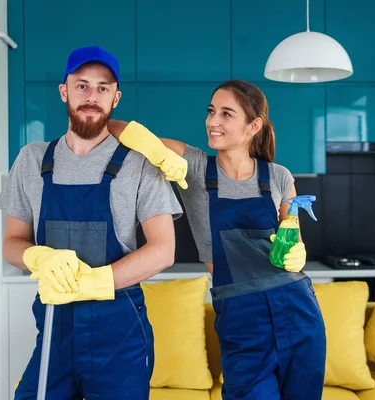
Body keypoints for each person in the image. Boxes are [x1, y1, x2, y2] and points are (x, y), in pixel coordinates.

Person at [109, 79, 326, 400]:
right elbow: (114, 126)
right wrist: (156, 151)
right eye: (211, 111)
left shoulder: (278, 176)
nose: (212, 121)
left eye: (226, 114)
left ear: (254, 126)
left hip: (298, 309)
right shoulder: (195, 166)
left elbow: (291, 236)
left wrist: (297, 249)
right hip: (241, 316)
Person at [0, 45, 184, 400]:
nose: (91, 96)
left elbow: (163, 250)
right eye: (81, 85)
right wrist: (39, 257)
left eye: (102, 87)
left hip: (120, 337)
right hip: (55, 328)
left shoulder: (139, 163)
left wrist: (93, 283)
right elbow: (12, 242)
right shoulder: (32, 160)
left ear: (116, 98)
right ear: (64, 91)